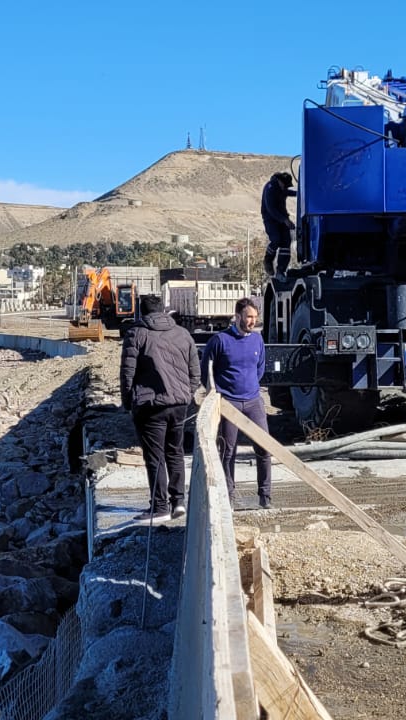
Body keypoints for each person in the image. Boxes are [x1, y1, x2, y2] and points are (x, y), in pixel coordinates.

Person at [119, 294, 200, 522]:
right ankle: (179, 503)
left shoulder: (136, 334)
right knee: (175, 452)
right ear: (163, 310)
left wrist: (128, 402)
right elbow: (195, 372)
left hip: (150, 405)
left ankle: (160, 506)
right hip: (179, 404)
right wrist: (186, 394)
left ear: (141, 312)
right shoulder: (183, 334)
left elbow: (127, 373)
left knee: (155, 457)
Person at [201, 298, 272, 509]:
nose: (252, 321)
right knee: (227, 451)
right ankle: (228, 498)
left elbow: (259, 369)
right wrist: (216, 393)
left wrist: (250, 387)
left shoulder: (257, 340)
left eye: (255, 318)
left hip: (253, 401)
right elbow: (206, 369)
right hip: (228, 403)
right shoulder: (220, 340)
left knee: (264, 448)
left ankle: (265, 497)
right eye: (249, 317)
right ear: (238, 316)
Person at [261, 172, 297, 278]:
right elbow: (271, 208)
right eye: (285, 186)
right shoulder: (270, 187)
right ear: (280, 181)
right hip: (270, 219)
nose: (285, 188)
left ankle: (281, 270)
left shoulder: (282, 189)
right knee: (276, 239)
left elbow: (288, 192)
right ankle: (268, 260)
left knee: (286, 242)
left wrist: (300, 193)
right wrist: (285, 220)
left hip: (282, 218)